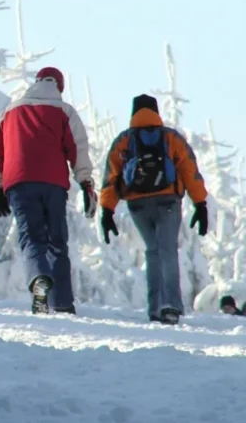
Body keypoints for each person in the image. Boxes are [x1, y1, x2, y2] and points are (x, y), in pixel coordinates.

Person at [0, 67, 97, 315]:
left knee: (32, 238)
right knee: (57, 241)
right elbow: (77, 148)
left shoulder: (9, 112)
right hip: (54, 184)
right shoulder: (64, 111)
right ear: (59, 85)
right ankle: (63, 302)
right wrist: (86, 183)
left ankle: (39, 280)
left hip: (20, 184)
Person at [98, 94, 208, 325]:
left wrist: (107, 210)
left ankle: (155, 308)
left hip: (137, 205)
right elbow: (190, 170)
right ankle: (171, 306)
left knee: (152, 251)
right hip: (168, 201)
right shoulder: (170, 137)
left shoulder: (124, 140)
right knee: (167, 250)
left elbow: (111, 176)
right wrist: (200, 203)